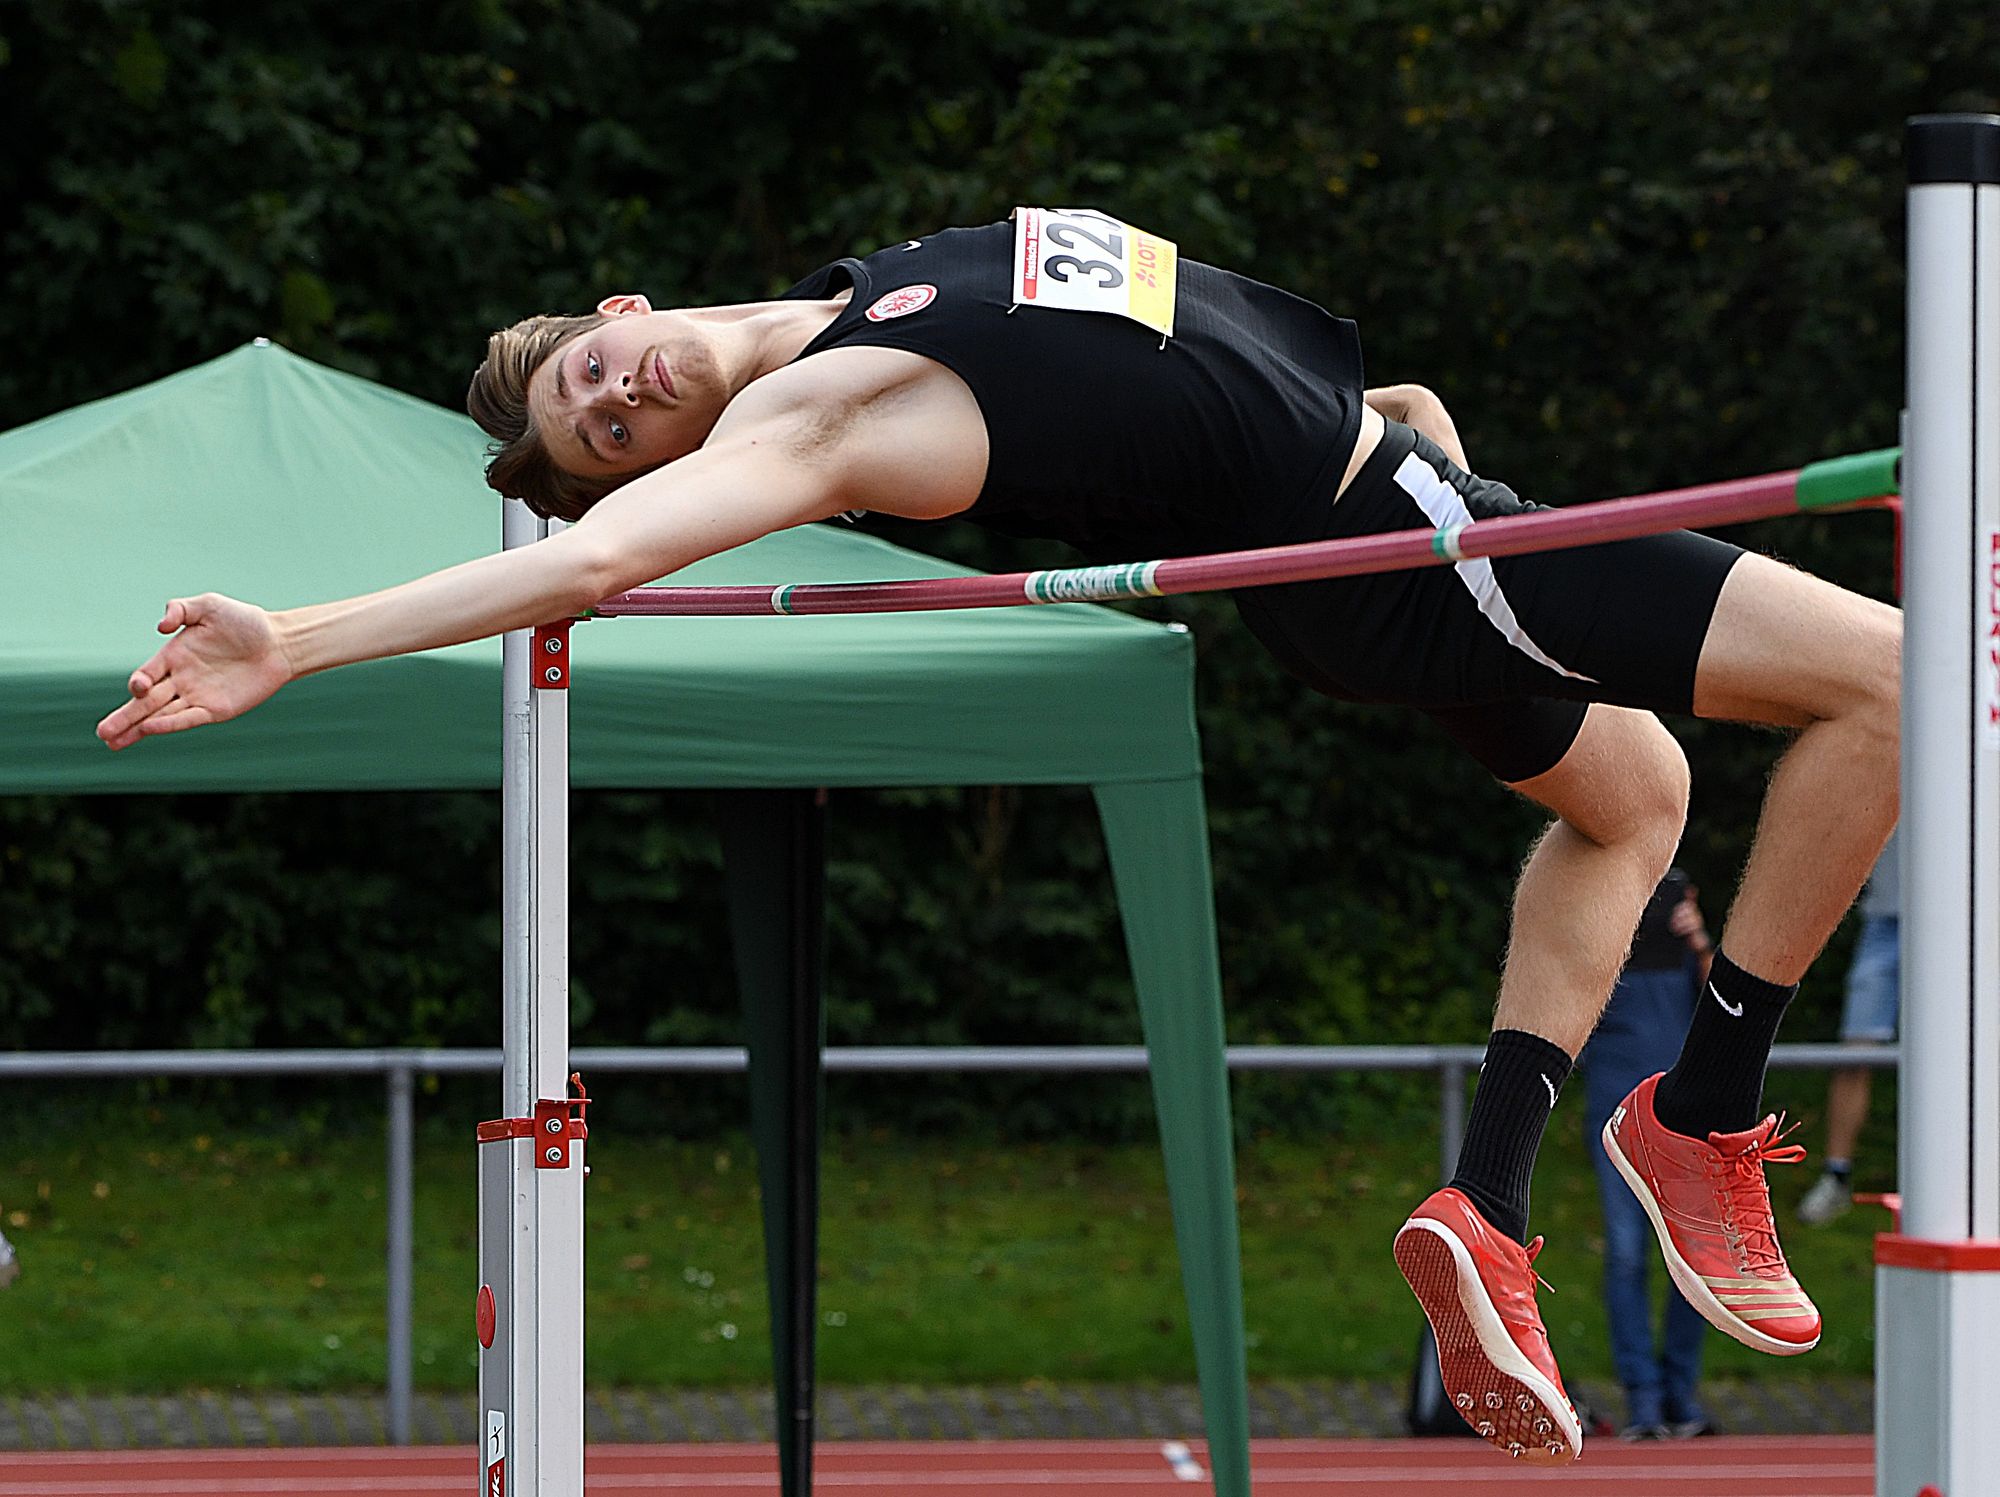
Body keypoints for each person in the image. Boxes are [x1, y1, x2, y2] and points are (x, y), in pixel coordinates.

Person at [94, 209, 1900, 1465]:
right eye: (614, 435)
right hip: (1411, 553)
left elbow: (1161, 370)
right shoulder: (819, 417)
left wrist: (1363, 408)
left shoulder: (868, 288)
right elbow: (592, 565)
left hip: (1389, 510)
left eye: (597, 377)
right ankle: (1704, 1112)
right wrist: (298, 638)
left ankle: (1488, 1201)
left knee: (1637, 796)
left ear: (617, 307)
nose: (621, 403)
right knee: (1893, 683)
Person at [1581, 869, 1716, 1440]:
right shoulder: (1600, 942)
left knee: (1694, 1258)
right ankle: (1644, 1397)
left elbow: (1729, 1011)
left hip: (1682, 1117)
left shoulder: (1688, 951)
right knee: (1627, 1254)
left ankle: (1679, 1393)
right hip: (1615, 1116)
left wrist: (1699, 940)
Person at [1798, 828, 1901, 1224]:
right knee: (1855, 1052)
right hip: (1884, 919)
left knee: (1962, 1052)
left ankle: (1967, 1174)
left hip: (1960, 920)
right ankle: (1836, 1176)